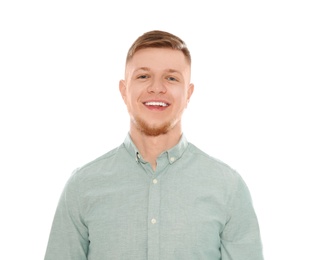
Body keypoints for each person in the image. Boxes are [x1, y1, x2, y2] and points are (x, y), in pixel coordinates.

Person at [44, 30, 264, 260]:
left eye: (171, 78)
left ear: (188, 93)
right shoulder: (82, 187)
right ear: (123, 90)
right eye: (143, 76)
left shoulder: (228, 187)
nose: (156, 88)